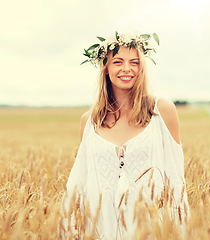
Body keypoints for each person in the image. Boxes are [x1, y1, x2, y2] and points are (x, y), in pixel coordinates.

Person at [59, 32, 188, 239]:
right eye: (118, 62)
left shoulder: (162, 111)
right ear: (106, 69)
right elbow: (80, 184)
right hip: (103, 230)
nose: (127, 69)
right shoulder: (89, 122)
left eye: (134, 62)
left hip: (152, 230)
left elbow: (176, 180)